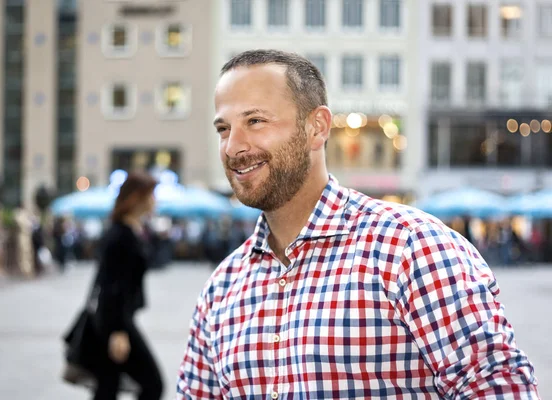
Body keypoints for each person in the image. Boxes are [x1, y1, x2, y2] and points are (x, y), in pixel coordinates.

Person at [176, 50, 539, 398]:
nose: (232, 147)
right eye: (223, 128)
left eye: (255, 121)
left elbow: (497, 386)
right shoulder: (221, 290)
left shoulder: (413, 249)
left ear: (317, 127)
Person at [92, 171, 164, 400]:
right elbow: (113, 286)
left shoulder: (132, 230)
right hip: (114, 322)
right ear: (137, 198)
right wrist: (119, 331)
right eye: (151, 195)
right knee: (152, 384)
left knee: (107, 387)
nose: (154, 201)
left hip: (115, 320)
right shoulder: (120, 235)